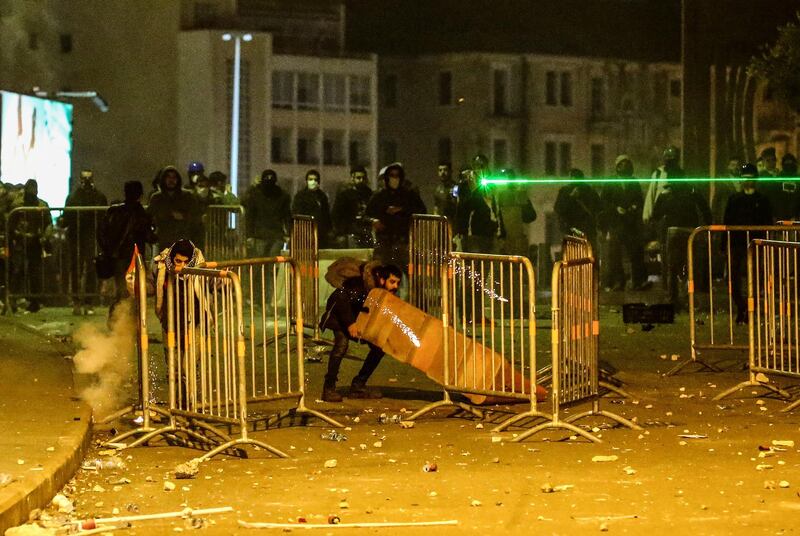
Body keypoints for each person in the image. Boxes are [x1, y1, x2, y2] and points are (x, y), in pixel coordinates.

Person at [318, 263, 402, 401]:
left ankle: (358, 385)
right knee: (341, 346)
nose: (395, 287)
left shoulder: (380, 291)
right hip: (339, 317)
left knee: (379, 348)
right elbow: (340, 298)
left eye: (398, 283)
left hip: (358, 320)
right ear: (382, 280)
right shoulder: (359, 283)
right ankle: (329, 388)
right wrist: (350, 323)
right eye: (392, 282)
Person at [97, 181, 157, 317]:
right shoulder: (141, 214)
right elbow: (150, 237)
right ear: (140, 194)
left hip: (118, 256)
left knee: (122, 290)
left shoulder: (114, 211)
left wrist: (108, 250)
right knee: (135, 290)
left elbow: (101, 232)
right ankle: (129, 322)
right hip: (134, 256)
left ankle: (116, 321)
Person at [723, 163, 772, 324]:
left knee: (756, 278)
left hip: (756, 243)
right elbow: (727, 221)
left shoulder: (763, 200)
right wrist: (724, 244)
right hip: (737, 243)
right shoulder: (734, 199)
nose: (747, 181)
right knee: (732, 278)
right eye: (745, 178)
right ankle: (742, 307)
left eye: (750, 178)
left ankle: (749, 308)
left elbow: (767, 223)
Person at [651, 179, 712, 309]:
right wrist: (707, 227)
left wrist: (662, 197)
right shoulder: (693, 192)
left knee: (672, 267)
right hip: (691, 231)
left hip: (673, 231)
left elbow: (656, 214)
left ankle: (673, 298)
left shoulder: (667, 194)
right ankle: (688, 296)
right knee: (690, 265)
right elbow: (705, 210)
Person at [365, 163, 427, 270]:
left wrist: (402, 210)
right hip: (384, 243)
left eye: (397, 176)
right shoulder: (379, 196)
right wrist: (373, 221)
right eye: (391, 176)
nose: (394, 179)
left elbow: (421, 211)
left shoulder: (409, 195)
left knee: (407, 273)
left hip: (403, 242)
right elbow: (366, 215)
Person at [64, 169, 108, 315]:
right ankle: (77, 301)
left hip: (91, 237)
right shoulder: (73, 197)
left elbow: (103, 216)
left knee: (91, 269)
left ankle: (89, 302)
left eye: (89, 178)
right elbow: (67, 217)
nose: (87, 181)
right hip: (76, 237)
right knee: (76, 269)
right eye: (85, 178)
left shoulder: (98, 196)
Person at [600, 155, 647, 291]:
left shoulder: (634, 182)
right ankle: (618, 281)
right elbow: (604, 202)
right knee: (615, 255)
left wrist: (634, 207)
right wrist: (615, 209)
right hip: (616, 223)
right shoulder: (610, 183)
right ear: (617, 167)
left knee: (635, 253)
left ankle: (637, 281)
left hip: (631, 224)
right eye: (622, 164)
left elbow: (639, 200)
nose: (625, 167)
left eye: (627, 164)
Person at [9, 180, 51, 313]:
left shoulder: (42, 205)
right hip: (20, 241)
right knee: (18, 270)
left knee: (34, 273)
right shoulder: (17, 205)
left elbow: (48, 224)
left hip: (35, 242)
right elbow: (10, 223)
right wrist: (15, 235)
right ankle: (14, 299)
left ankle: (34, 301)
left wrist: (44, 237)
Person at [147, 166, 202, 251]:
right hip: (162, 240)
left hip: (182, 240)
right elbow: (149, 217)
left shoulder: (187, 196)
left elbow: (196, 216)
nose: (171, 180)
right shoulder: (157, 198)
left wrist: (184, 216)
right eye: (168, 177)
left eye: (174, 177)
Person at [456, 166, 506, 254]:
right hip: (473, 234)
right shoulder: (466, 187)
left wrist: (501, 232)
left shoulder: (491, 188)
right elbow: (463, 208)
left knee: (489, 263)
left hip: (490, 234)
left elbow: (496, 210)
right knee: (474, 262)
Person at [553, 168, 602, 249]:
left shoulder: (588, 191)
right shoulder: (589, 191)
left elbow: (559, 209)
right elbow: (559, 208)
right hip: (580, 228)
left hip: (577, 228)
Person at [496, 168, 536, 257]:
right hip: (509, 241)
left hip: (511, 241)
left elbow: (530, 216)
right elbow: (530, 216)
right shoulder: (516, 195)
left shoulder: (499, 196)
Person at [332, 166, 373, 248]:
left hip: (367, 232)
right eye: (358, 178)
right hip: (352, 232)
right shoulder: (345, 195)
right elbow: (336, 215)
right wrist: (342, 231)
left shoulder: (369, 194)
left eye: (363, 178)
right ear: (352, 178)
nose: (361, 180)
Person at [643, 145, 685, 225]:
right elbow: (651, 195)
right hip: (660, 216)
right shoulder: (658, 174)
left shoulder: (681, 174)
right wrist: (647, 216)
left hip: (677, 215)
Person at [292, 169, 333, 248]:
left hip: (321, 232)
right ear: (306, 181)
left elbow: (326, 214)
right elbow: (297, 213)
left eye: (315, 180)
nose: (313, 182)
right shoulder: (300, 196)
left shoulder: (322, 196)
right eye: (310, 179)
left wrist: (328, 229)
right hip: (305, 232)